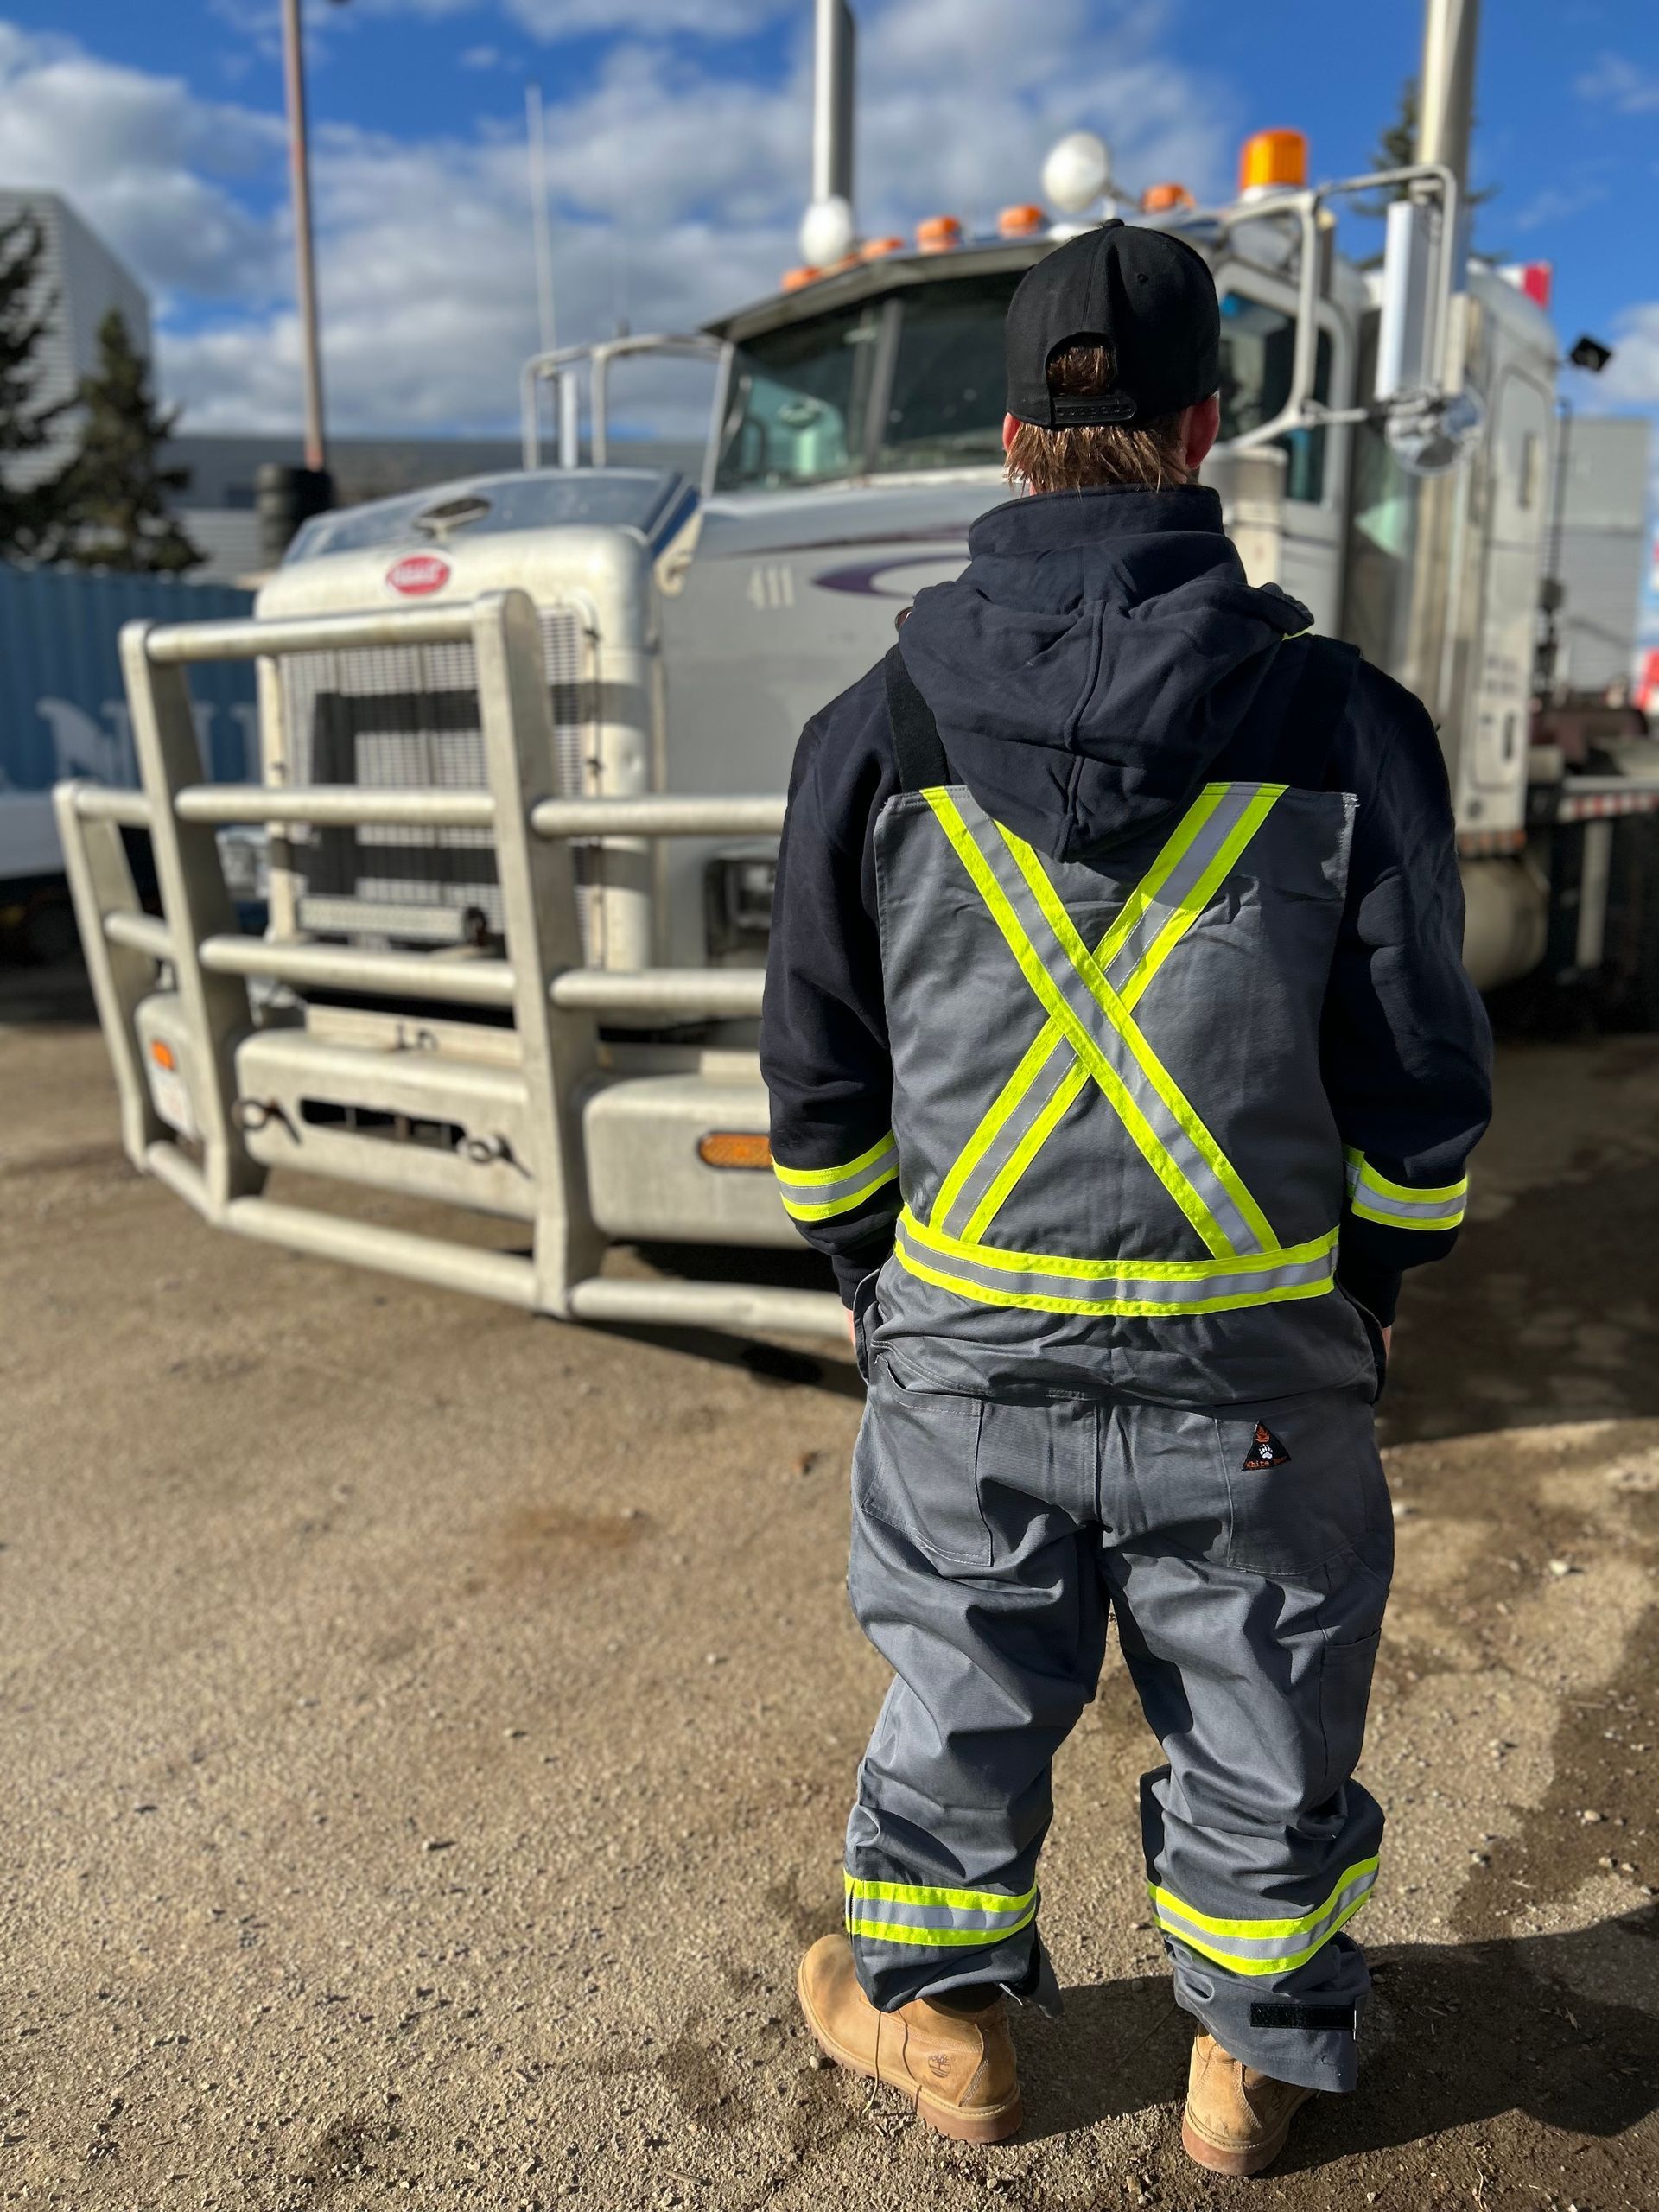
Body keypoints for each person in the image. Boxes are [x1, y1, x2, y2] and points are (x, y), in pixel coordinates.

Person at [759, 219, 1491, 2177]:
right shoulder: (1344, 724)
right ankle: (1250, 2061)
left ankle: (945, 2030)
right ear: (1205, 430)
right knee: (1264, 1691)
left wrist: (882, 1286)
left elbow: (818, 1086)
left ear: (1010, 438)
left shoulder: (873, 731)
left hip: (961, 1344)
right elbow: (1421, 1086)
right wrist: (1368, 1287)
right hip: (1252, 1358)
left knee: (962, 1680)